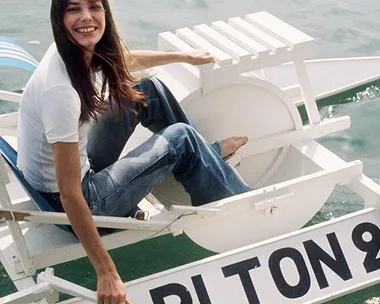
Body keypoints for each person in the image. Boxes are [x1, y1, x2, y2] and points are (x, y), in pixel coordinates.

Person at [17, 0, 251, 303]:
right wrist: (107, 273)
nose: (86, 17)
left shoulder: (72, 50)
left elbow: (121, 60)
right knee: (180, 138)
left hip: (77, 169)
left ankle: (205, 155)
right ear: (59, 18)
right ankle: (239, 204)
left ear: (105, 12)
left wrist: (184, 57)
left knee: (147, 90)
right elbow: (70, 195)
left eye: (94, 6)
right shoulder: (60, 93)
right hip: (78, 204)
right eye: (73, 9)